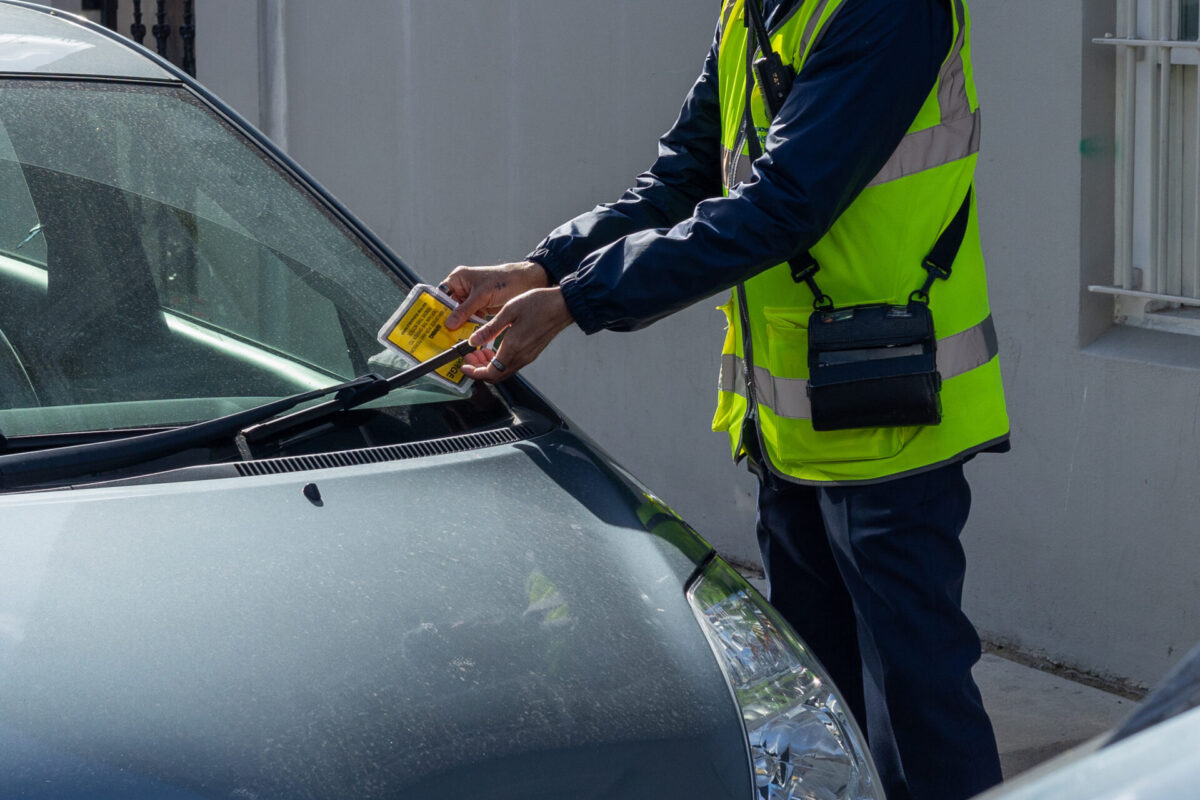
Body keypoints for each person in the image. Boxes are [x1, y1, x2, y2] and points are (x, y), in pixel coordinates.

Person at [439, 1, 1009, 798]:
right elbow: (681, 178)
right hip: (795, 424)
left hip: (893, 413)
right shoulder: (756, 9)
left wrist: (577, 302)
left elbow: (785, 204)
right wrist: (546, 270)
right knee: (821, 710)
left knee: (918, 712)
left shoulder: (886, 11)